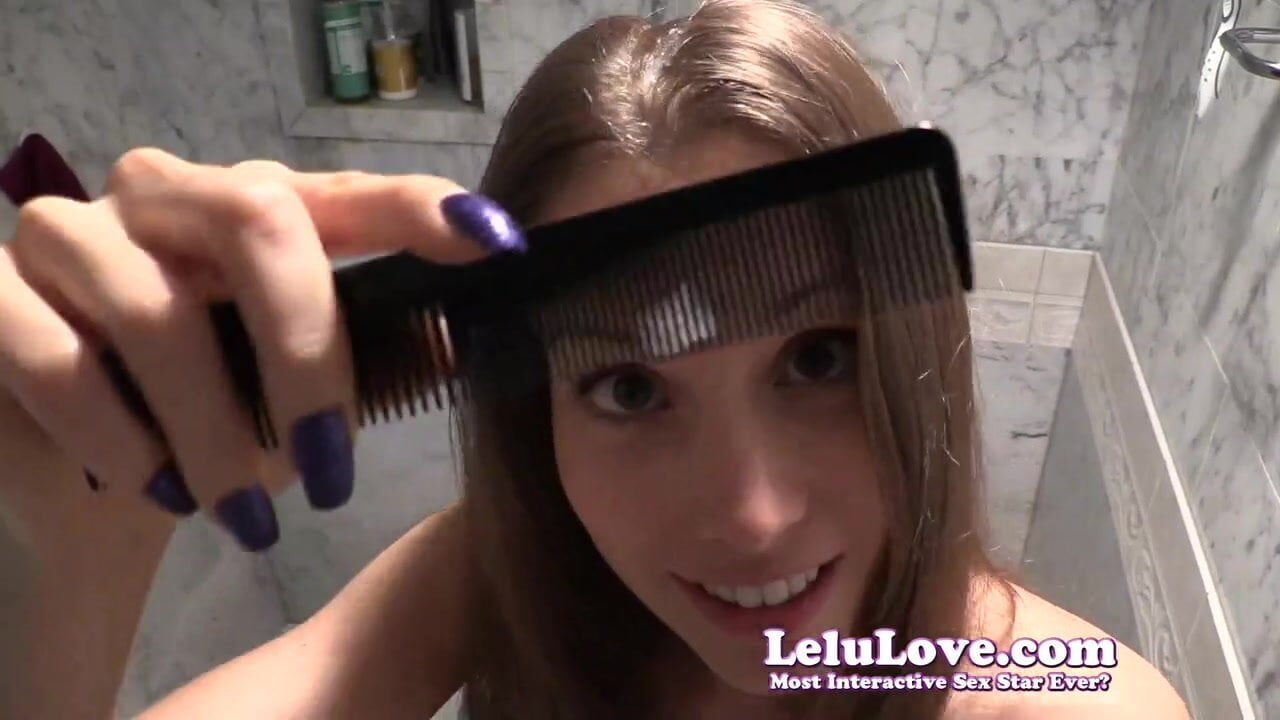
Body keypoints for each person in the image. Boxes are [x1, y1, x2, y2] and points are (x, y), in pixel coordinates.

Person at [0, 1, 1191, 718]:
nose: (754, 516)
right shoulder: (504, 571)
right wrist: (66, 553)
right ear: (537, 413)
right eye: (628, 388)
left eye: (819, 358)